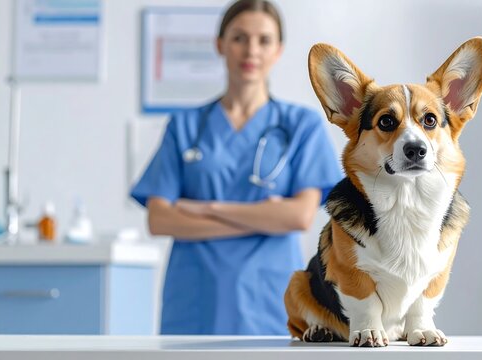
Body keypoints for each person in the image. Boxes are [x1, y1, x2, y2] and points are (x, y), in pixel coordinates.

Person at [130, 0, 342, 335]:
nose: (251, 50)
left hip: (269, 301)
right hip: (195, 301)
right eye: (239, 38)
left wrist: (208, 208)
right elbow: (159, 219)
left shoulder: (301, 125)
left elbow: (298, 217)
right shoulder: (185, 125)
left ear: (278, 50)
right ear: (220, 44)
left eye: (264, 40)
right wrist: (263, 217)